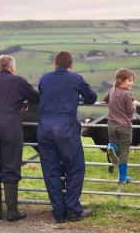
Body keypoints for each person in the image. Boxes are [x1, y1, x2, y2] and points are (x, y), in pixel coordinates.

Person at [37, 50, 97, 223]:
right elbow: (91, 98)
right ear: (71, 65)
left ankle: (58, 213)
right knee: (75, 169)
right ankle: (73, 210)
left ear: (54, 64)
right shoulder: (76, 78)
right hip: (66, 130)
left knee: (51, 171)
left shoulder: (44, 78)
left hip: (45, 129)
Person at [0, 54, 39, 221]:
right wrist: (21, 102)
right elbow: (35, 98)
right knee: (10, 165)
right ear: (12, 67)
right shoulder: (19, 81)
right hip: (10, 126)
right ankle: (12, 211)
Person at [103, 68, 137, 183]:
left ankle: (111, 147)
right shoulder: (127, 94)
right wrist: (134, 103)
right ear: (121, 80)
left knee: (115, 146)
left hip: (111, 125)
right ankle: (122, 177)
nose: (132, 83)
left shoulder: (113, 89)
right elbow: (130, 111)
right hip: (124, 126)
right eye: (130, 80)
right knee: (124, 151)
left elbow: (105, 99)